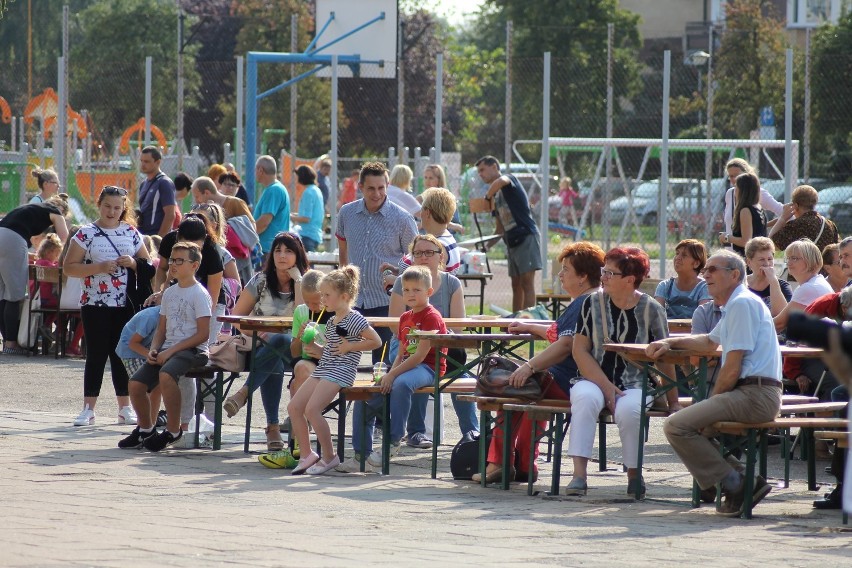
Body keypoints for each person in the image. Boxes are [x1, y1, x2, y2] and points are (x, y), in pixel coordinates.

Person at [647, 249, 783, 517]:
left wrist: (710, 403)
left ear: (734, 274)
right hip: (751, 392)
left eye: (712, 270)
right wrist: (669, 341)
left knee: (677, 425)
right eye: (705, 269)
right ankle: (737, 480)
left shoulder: (742, 304)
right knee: (689, 425)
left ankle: (733, 483)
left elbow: (731, 369)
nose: (704, 274)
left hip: (756, 394)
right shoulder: (736, 304)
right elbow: (709, 341)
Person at [473, 242, 606, 484]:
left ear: (583, 277)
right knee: (528, 394)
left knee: (510, 391)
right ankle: (525, 465)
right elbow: (560, 333)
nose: (560, 274)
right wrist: (530, 326)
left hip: (571, 380)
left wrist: (529, 367)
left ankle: (499, 464)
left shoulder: (584, 302)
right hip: (581, 380)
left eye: (566, 269)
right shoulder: (593, 299)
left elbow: (565, 345)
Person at [568, 247, 679, 497]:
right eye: (603, 271)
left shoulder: (652, 309)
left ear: (630, 280)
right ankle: (578, 476)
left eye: (610, 272)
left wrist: (673, 401)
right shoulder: (591, 303)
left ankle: (634, 475)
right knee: (585, 399)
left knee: (630, 410)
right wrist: (606, 386)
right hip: (592, 379)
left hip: (637, 382)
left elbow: (665, 358)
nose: (603, 276)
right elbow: (580, 351)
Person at [341, 266, 448, 470]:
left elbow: (419, 356)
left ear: (429, 292)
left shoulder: (431, 316)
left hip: (428, 368)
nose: (410, 294)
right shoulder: (405, 318)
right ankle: (360, 455)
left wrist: (393, 375)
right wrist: (388, 375)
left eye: (417, 290)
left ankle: (394, 440)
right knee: (366, 395)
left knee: (401, 384)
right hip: (405, 366)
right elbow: (401, 352)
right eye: (406, 290)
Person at [63, 186, 150, 426]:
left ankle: (125, 407)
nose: (112, 212)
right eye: (107, 207)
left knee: (121, 354)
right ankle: (88, 408)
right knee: (96, 354)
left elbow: (147, 264)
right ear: (99, 205)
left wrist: (133, 263)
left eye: (117, 208)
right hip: (94, 303)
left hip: (125, 303)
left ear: (124, 209)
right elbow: (69, 267)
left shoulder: (131, 232)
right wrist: (99, 268)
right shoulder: (86, 233)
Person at [287, 266, 382, 475]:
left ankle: (329, 457)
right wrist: (315, 348)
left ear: (344, 296)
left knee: (312, 409)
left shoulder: (355, 318)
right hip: (326, 367)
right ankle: (307, 454)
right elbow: (330, 351)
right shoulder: (331, 320)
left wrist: (350, 346)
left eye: (327, 295)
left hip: (342, 371)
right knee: (294, 407)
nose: (323, 300)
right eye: (322, 295)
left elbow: (376, 341)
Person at [118, 241, 212, 452]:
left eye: (180, 261)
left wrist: (170, 351)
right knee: (135, 384)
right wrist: (155, 349)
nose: (173, 265)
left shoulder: (199, 294)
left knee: (166, 375)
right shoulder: (169, 293)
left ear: (194, 265)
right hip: (168, 349)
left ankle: (173, 430)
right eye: (171, 260)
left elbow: (203, 334)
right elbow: (161, 329)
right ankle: (145, 429)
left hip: (193, 351)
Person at [223, 232, 307, 451]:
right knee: (274, 356)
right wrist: (257, 332)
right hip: (258, 348)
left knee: (280, 341)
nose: (282, 255)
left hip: (298, 350)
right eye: (278, 250)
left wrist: (298, 281)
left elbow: (302, 317)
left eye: (288, 251)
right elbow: (237, 316)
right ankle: (272, 427)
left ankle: (243, 395)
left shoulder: (307, 282)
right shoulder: (260, 280)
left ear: (298, 254)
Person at [336, 161, 418, 364]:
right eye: (371, 188)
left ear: (387, 186)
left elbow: (415, 262)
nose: (377, 193)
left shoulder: (403, 219)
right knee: (339, 357)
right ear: (360, 187)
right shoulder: (346, 213)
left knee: (382, 364)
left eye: (381, 187)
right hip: (352, 300)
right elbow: (343, 251)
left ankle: (376, 397)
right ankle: (344, 397)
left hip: (387, 302)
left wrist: (399, 280)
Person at [0, 195, 69, 354]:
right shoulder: (55, 211)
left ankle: (7, 342)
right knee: (14, 295)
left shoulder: (30, 209)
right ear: (62, 209)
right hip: (13, 239)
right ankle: (11, 344)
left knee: (2, 294)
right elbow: (66, 240)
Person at [477, 155, 542, 312]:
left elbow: (501, 181)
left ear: (494, 167)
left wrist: (486, 197)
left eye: (482, 170)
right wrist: (486, 247)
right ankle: (514, 324)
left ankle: (529, 325)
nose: (480, 174)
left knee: (527, 283)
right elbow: (499, 230)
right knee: (516, 284)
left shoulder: (508, 180)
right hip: (512, 242)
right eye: (478, 172)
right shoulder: (495, 198)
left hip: (526, 236)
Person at [773, 238, 833, 332]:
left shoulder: (809, 288)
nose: (789, 262)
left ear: (809, 261)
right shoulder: (815, 282)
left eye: (794, 258)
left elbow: (778, 324)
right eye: (788, 258)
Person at [722, 158, 782, 240]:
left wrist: (764, 225)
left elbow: (785, 213)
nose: (734, 179)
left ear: (747, 174)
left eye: (737, 175)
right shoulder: (730, 193)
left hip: (750, 250)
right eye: (731, 176)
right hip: (731, 250)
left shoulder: (759, 193)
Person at [769, 184, 839, 253]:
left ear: (795, 206)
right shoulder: (830, 225)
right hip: (825, 264)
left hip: (805, 264)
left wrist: (782, 218)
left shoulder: (796, 225)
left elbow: (771, 245)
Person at [654, 239, 712, 319]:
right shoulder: (665, 286)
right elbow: (657, 317)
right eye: (677, 253)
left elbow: (702, 318)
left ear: (696, 263)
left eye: (684, 255)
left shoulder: (704, 287)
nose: (678, 258)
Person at [253, 155, 291, 259]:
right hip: (272, 248)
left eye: (255, 170)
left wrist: (247, 236)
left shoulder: (273, 190)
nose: (255, 173)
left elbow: (265, 221)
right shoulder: (275, 188)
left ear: (261, 170)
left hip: (268, 249)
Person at [721, 173, 767, 256]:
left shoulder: (745, 211)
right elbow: (756, 228)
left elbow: (746, 241)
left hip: (749, 259)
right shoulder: (758, 207)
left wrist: (727, 237)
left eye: (736, 187)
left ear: (743, 190)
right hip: (759, 255)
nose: (735, 190)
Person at [744, 237, 792, 316]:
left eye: (769, 259)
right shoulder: (740, 284)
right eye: (761, 259)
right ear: (749, 262)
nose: (766, 264)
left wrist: (773, 281)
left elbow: (782, 316)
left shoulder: (782, 286)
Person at [137, 146, 177, 237]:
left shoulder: (164, 183)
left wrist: (159, 240)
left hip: (155, 236)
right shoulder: (144, 183)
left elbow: (170, 215)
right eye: (141, 161)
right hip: (144, 236)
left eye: (146, 161)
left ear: (158, 162)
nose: (143, 164)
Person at [290, 165, 324, 252]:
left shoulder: (308, 192)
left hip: (307, 235)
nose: (295, 178)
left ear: (302, 177)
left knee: (305, 265)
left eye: (297, 176)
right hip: (314, 235)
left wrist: (288, 216)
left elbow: (306, 218)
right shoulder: (316, 190)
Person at [423, 163, 463, 234]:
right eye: (425, 177)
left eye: (431, 178)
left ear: (439, 180)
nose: (427, 181)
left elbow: (457, 225)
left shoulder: (448, 199)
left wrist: (448, 226)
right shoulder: (421, 198)